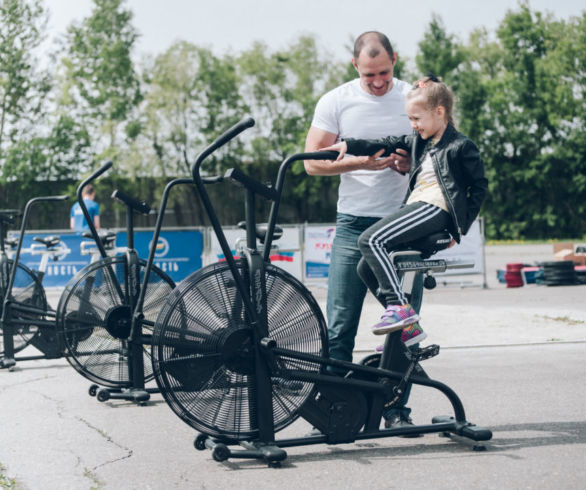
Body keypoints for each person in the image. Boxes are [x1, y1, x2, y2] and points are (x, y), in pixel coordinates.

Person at [304, 31, 423, 430]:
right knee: (340, 324)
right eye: (369, 74)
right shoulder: (336, 100)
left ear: (395, 60)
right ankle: (337, 410)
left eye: (385, 73)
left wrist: (409, 165)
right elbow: (311, 163)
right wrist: (358, 164)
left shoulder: (412, 97)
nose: (377, 82)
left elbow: (435, 157)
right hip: (354, 223)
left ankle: (395, 411)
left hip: (403, 223)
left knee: (404, 325)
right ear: (355, 66)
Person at [322, 74, 488, 335]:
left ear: (439, 112)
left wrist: (459, 228)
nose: (413, 125)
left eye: (416, 119)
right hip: (417, 204)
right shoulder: (418, 143)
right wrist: (348, 144)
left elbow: (478, 188)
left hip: (436, 207)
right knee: (365, 265)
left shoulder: (460, 146)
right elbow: (384, 143)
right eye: (409, 119)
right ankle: (408, 326)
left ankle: (399, 308)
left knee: (370, 240)